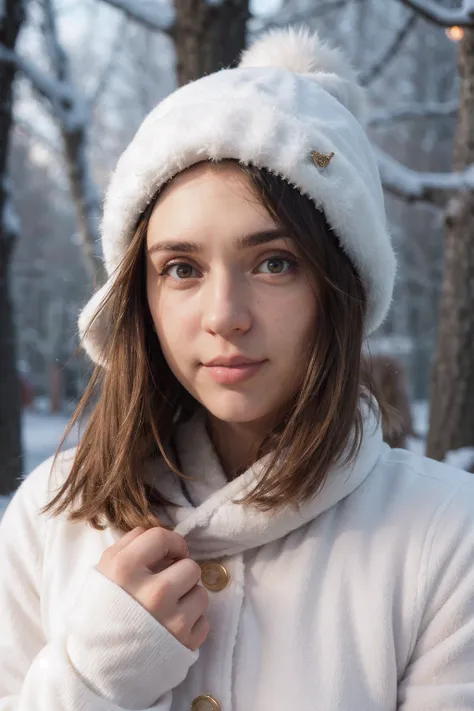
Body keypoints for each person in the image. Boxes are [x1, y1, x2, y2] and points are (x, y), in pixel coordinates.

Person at [1, 26, 474, 711]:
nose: (225, 314)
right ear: (142, 296)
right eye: (182, 268)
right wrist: (94, 681)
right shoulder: (50, 518)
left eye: (273, 262)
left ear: (340, 287)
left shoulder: (445, 531)